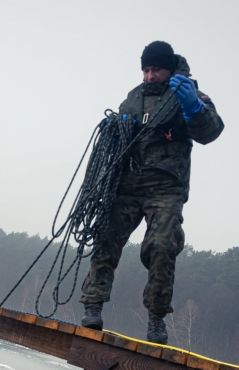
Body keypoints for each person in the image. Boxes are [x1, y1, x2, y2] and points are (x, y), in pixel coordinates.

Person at [79, 41, 224, 343]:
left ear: (168, 68)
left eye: (155, 69)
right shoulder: (133, 97)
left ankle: (157, 319)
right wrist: (115, 128)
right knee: (106, 239)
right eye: (145, 69)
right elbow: (117, 133)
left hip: (166, 187)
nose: (149, 75)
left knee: (161, 246)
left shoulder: (190, 94)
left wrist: (193, 109)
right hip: (126, 184)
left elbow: (210, 132)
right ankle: (93, 306)